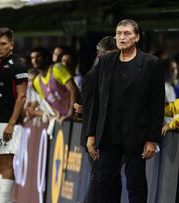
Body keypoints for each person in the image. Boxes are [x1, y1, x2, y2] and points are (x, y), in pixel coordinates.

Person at [85, 19, 164, 203]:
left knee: (135, 183)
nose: (122, 37)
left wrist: (152, 139)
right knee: (104, 182)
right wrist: (91, 134)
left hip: (137, 134)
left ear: (137, 37)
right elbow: (97, 100)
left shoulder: (151, 63)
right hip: (108, 134)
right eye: (119, 33)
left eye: (127, 33)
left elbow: (156, 104)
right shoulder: (105, 62)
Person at [0, 27, 27, 203]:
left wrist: (11, 123)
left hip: (8, 121)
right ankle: (3, 199)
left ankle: (4, 201)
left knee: (6, 161)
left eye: (3, 44)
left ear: (11, 44)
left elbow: (22, 96)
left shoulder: (17, 65)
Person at [75, 36, 118, 203]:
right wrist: (92, 138)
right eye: (112, 54)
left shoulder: (109, 75)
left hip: (108, 136)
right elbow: (89, 110)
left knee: (108, 180)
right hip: (96, 138)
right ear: (101, 55)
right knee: (98, 179)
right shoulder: (94, 76)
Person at [32, 47, 78, 123]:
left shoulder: (57, 68)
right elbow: (48, 101)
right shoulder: (36, 81)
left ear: (46, 58)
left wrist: (71, 113)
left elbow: (74, 90)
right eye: (32, 58)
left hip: (78, 116)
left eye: (38, 57)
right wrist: (57, 113)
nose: (35, 60)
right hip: (64, 119)